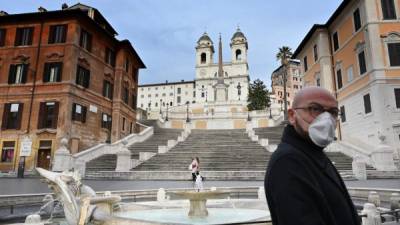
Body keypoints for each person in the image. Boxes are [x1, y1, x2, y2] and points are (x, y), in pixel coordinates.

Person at [264, 87, 360, 225]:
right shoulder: (287, 162)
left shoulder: (312, 153)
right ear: (292, 116)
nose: (326, 119)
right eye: (315, 109)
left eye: (333, 112)